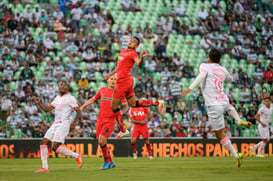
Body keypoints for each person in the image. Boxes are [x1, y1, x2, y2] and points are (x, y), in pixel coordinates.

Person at [182, 49, 251, 168]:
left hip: (214, 105)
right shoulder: (222, 69)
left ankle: (236, 154)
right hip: (223, 100)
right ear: (219, 59)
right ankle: (238, 119)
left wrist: (190, 88)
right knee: (229, 107)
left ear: (209, 58)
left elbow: (202, 76)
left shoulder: (204, 66)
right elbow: (231, 79)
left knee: (219, 134)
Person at [104, 37, 165, 138]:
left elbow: (139, 63)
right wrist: (110, 74)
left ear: (136, 46)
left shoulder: (133, 53)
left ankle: (123, 130)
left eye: (134, 42)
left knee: (114, 106)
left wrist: (142, 57)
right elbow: (119, 67)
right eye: (131, 40)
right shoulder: (123, 50)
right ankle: (158, 103)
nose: (131, 42)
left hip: (123, 81)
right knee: (132, 103)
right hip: (126, 80)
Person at [80, 75, 129, 170]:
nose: (113, 81)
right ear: (108, 81)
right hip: (100, 120)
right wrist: (83, 106)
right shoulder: (102, 90)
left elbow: (125, 107)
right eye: (112, 79)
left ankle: (106, 161)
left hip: (110, 120)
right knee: (101, 142)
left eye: (115, 79)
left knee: (102, 140)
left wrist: (119, 114)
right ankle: (110, 161)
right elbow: (93, 99)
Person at [32, 81, 82, 172]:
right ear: (58, 88)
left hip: (64, 123)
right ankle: (45, 167)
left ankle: (76, 155)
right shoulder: (57, 98)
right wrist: (38, 103)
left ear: (67, 88)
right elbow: (47, 110)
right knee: (44, 143)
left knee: (54, 147)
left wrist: (74, 122)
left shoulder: (70, 98)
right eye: (61, 85)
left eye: (65, 85)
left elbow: (78, 111)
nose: (62, 87)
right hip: (55, 123)